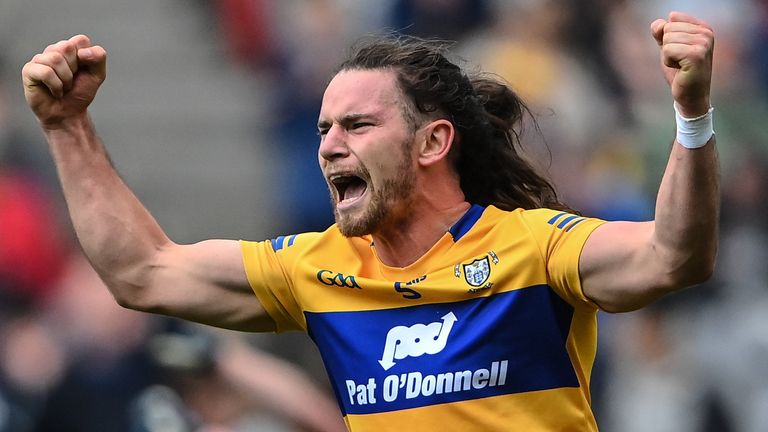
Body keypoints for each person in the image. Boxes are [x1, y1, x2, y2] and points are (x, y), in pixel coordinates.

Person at [21, 11, 718, 431]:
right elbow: (143, 272)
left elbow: (671, 257)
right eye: (323, 128)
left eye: (356, 125)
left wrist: (692, 115)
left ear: (432, 143)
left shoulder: (534, 248)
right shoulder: (313, 268)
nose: (329, 145)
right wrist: (66, 126)